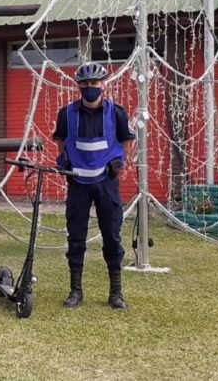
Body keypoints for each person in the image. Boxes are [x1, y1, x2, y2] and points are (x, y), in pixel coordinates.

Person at [53, 62, 134, 310]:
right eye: (85, 84)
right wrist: (63, 159)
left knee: (111, 236)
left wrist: (120, 163)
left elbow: (127, 140)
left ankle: (116, 292)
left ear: (104, 85)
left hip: (106, 182)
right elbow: (60, 141)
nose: (90, 87)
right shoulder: (66, 113)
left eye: (94, 83)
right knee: (76, 237)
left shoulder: (117, 112)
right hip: (78, 181)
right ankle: (75, 291)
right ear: (79, 86)